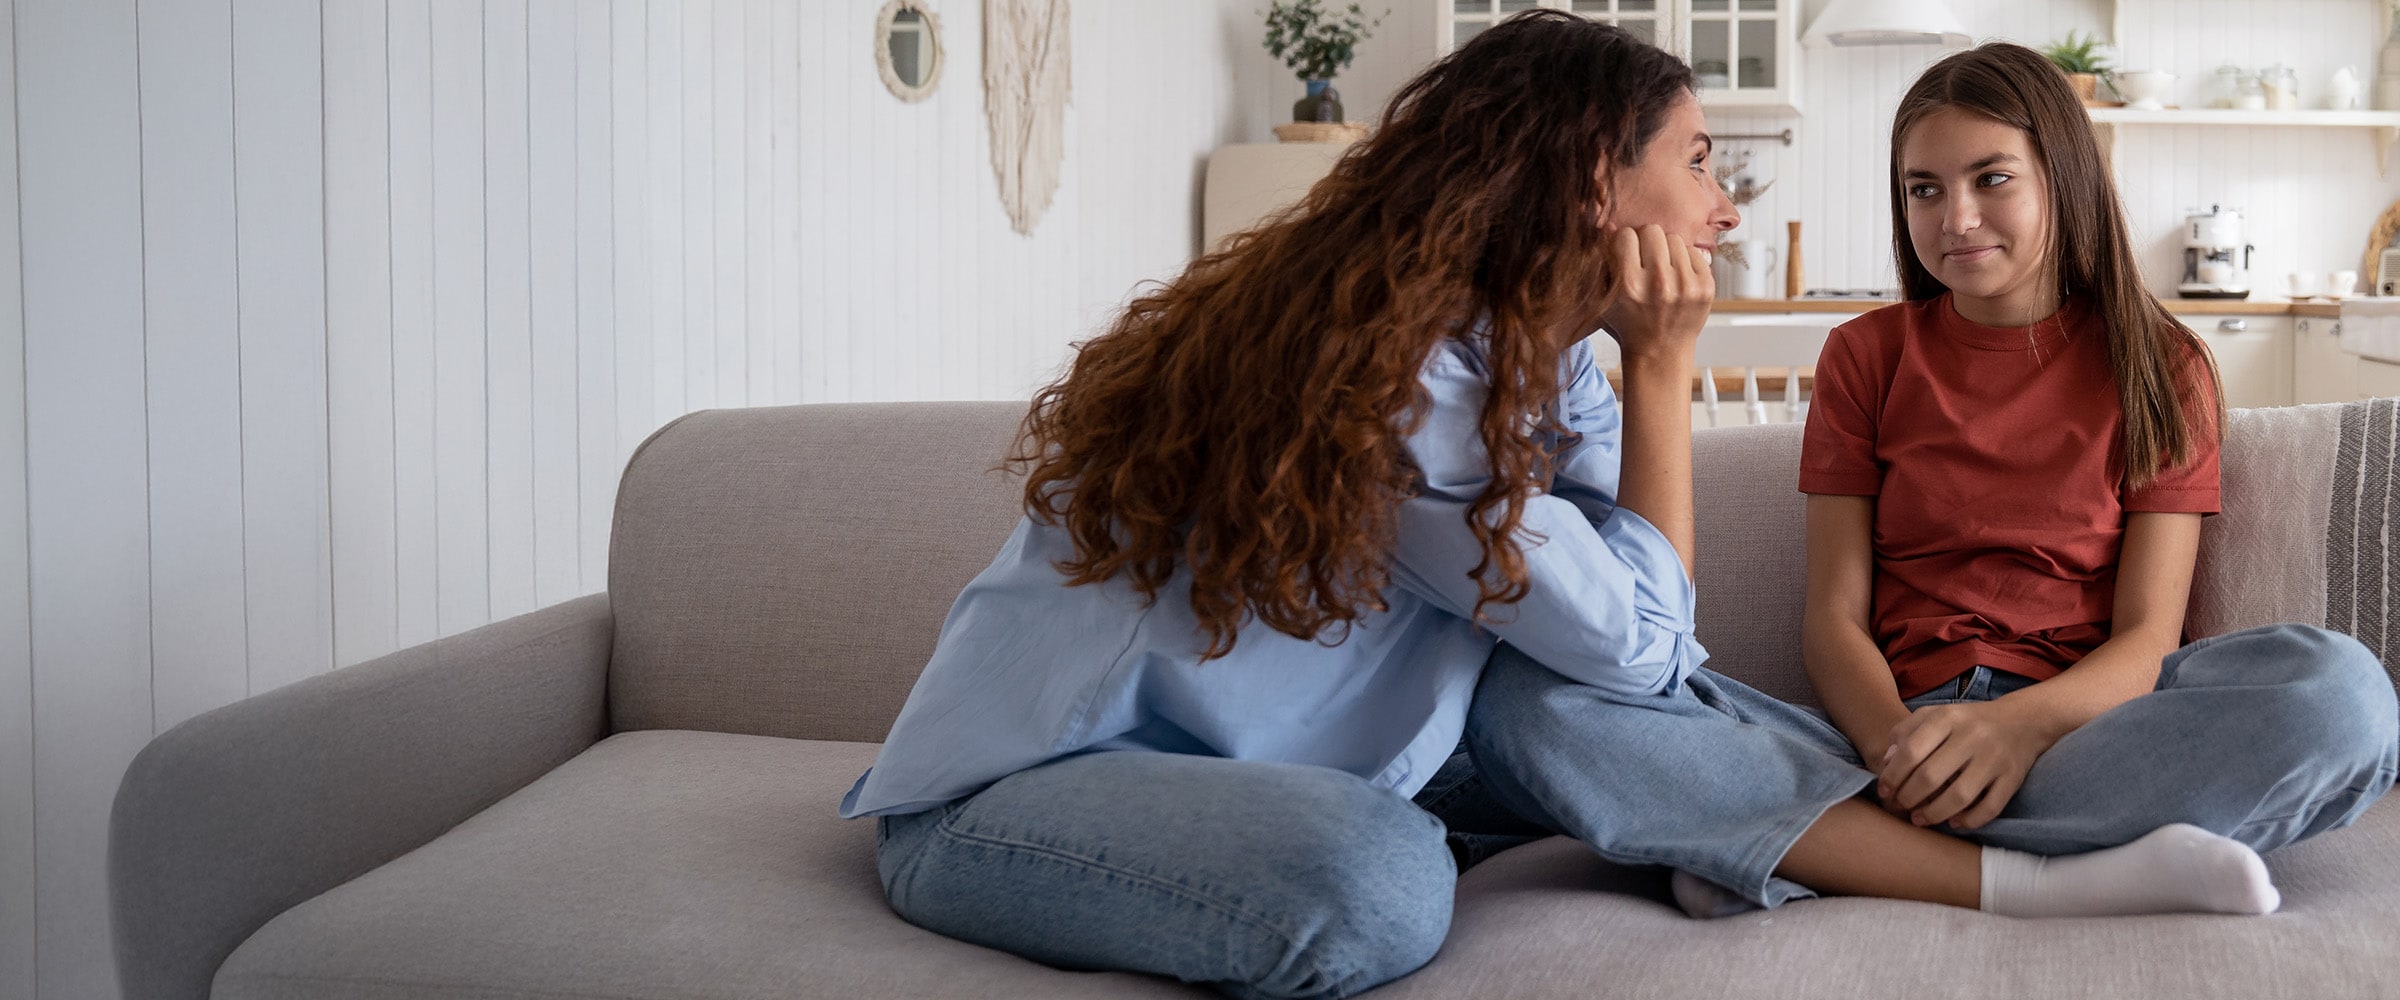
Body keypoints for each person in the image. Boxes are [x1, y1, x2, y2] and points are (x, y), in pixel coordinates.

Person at [839, 12, 1730, 997]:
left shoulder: (1540, 355)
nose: (1723, 209)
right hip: (1007, 802)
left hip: (1257, 770)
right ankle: (1702, 828)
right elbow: (1643, 643)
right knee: (1383, 881)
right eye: (1696, 162)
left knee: (1581, 720)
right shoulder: (1405, 388)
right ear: (1596, 179)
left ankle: (1789, 823)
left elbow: (1638, 620)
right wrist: (1661, 365)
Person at [1466, 42, 2397, 923]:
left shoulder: (2163, 362)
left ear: (2062, 180)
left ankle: (1804, 847)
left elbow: (2147, 637)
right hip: (1874, 740)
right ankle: (1954, 858)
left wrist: (2014, 732)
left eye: (1992, 179)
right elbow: (1834, 619)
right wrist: (1893, 747)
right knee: (1529, 704)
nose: (1954, 218)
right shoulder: (1865, 355)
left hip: (2075, 738)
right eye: (1924, 189)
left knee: (2340, 693)